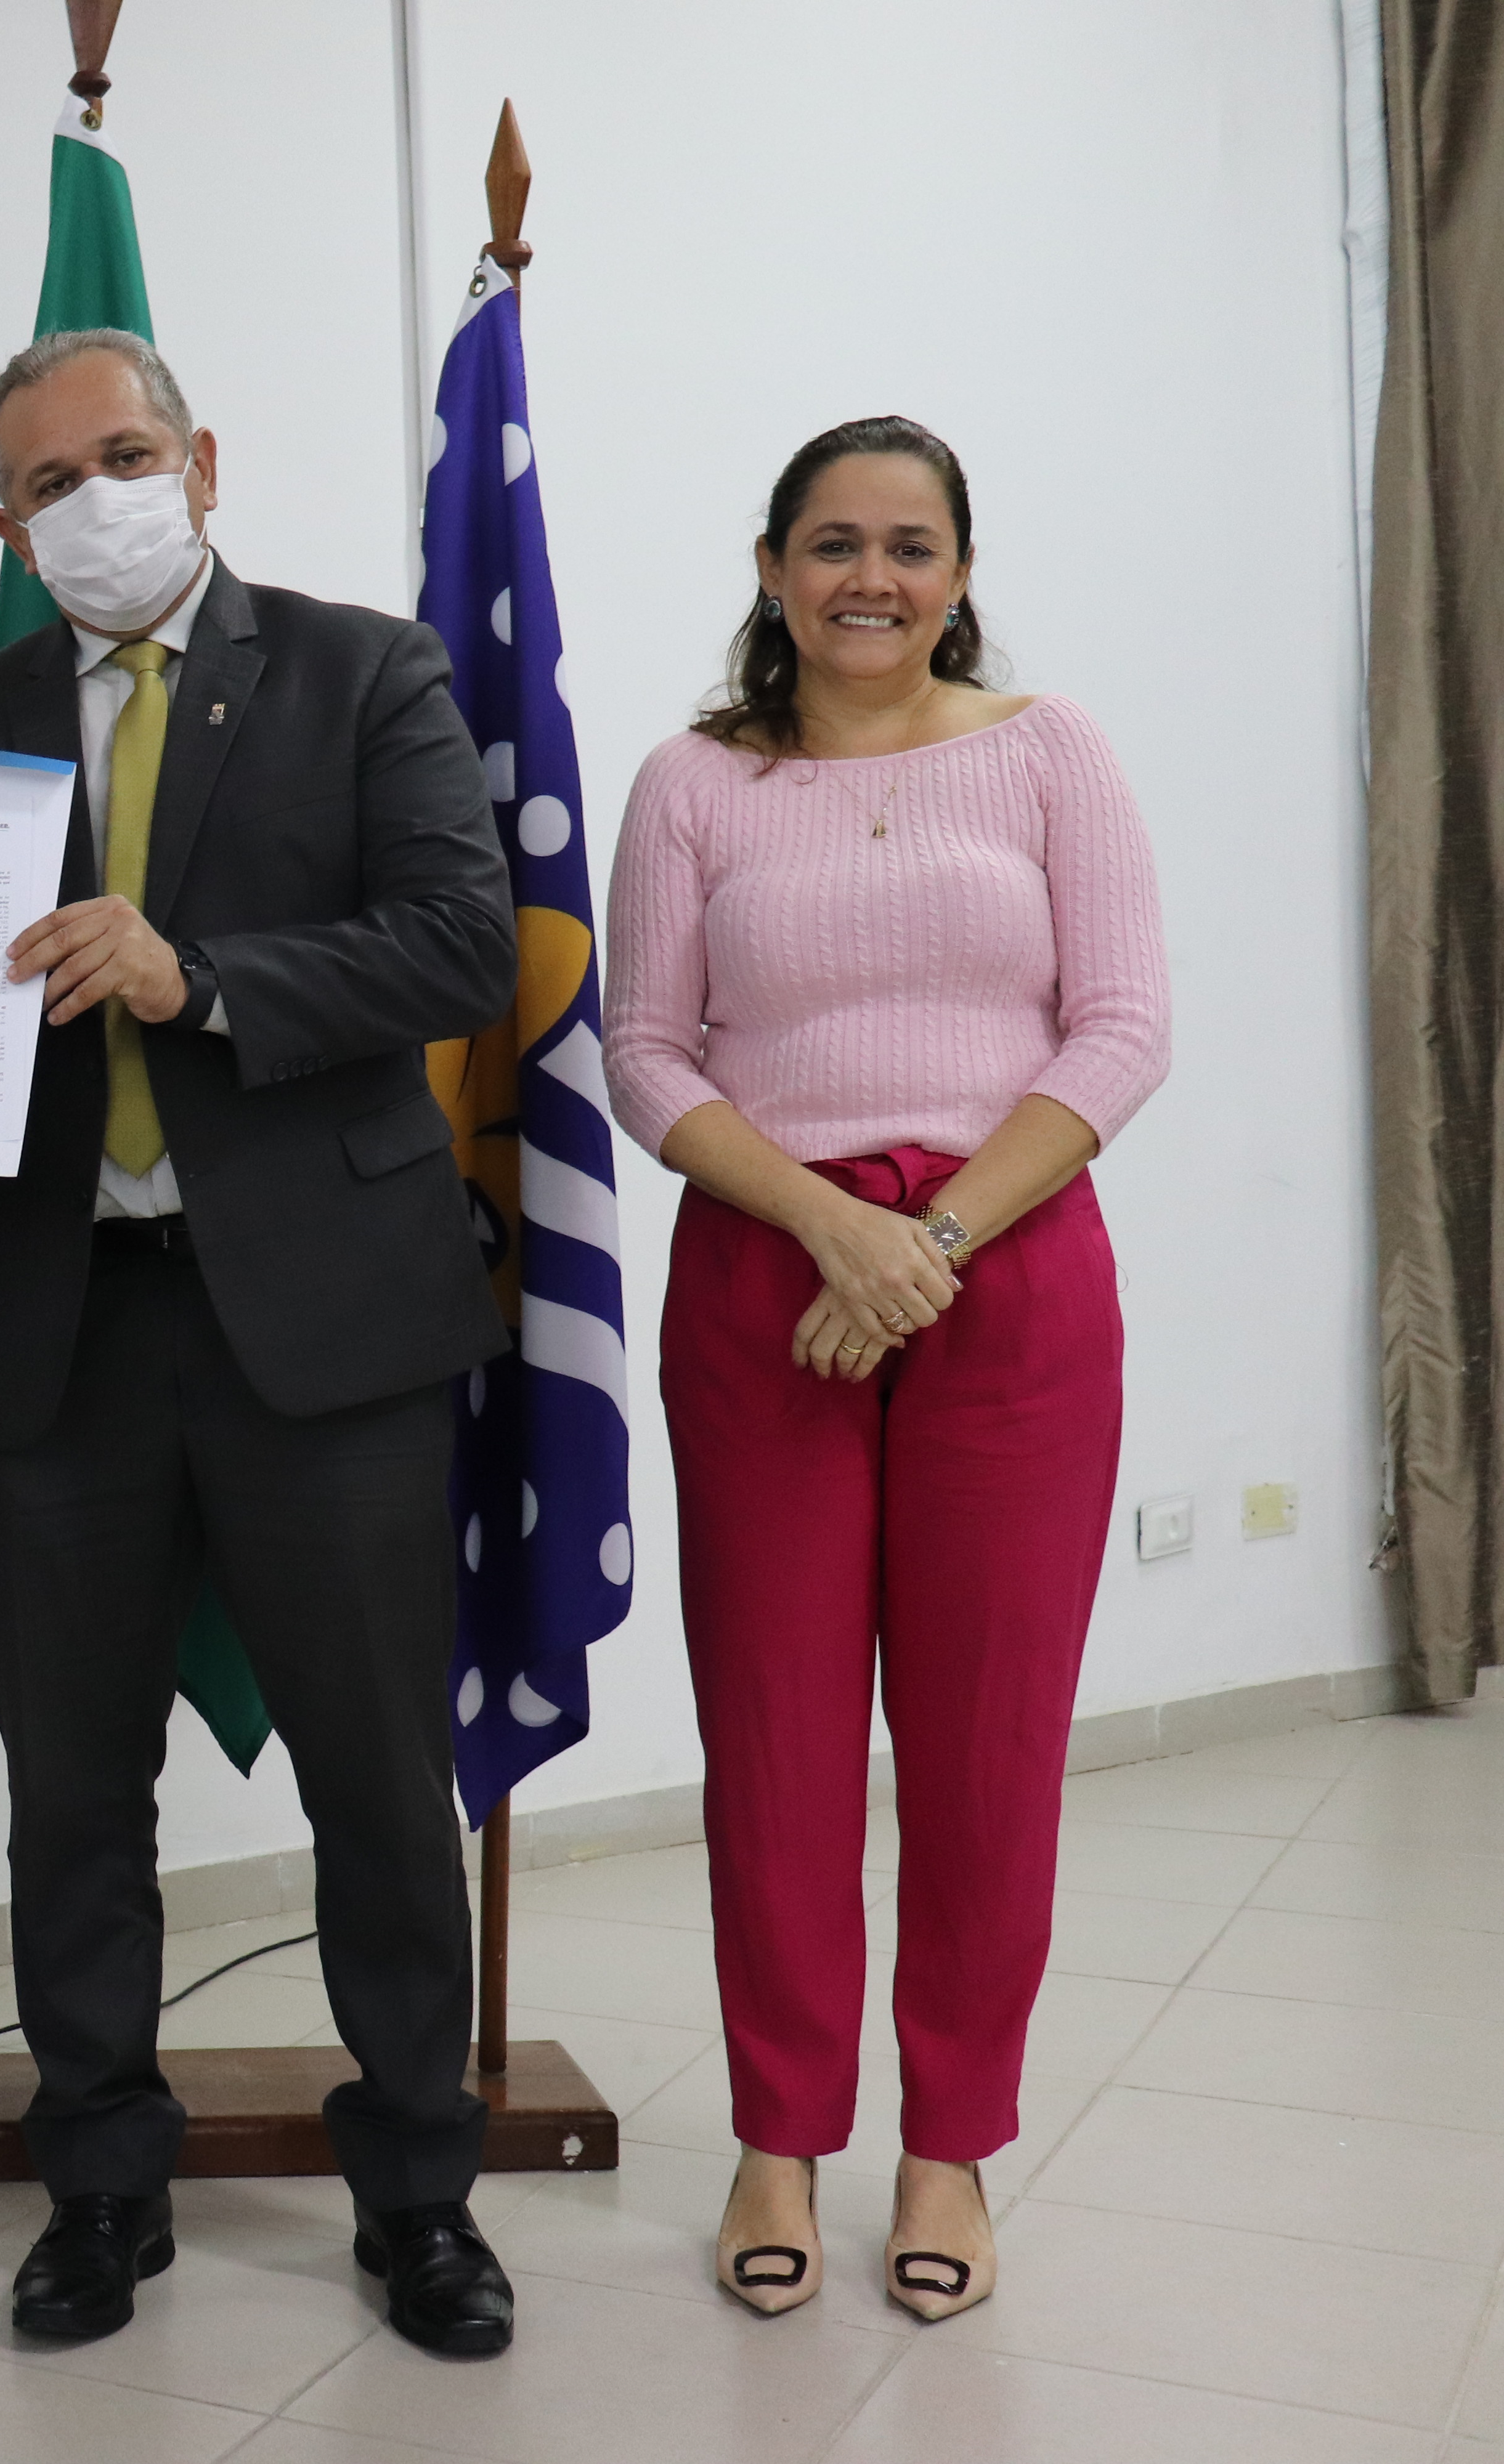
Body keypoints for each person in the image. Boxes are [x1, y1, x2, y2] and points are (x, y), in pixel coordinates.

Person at [0, 330, 522, 2358]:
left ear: (202, 462)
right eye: (52, 483)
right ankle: (99, 2187)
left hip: (328, 1330)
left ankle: (420, 2190)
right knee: (72, 1797)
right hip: (44, 1344)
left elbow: (462, 946)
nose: (98, 500)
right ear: (8, 529)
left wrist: (194, 976)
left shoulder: (363, 670)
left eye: (126, 456)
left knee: (379, 1784)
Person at [604, 416, 1169, 2323]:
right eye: (834, 543)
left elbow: (1122, 1030)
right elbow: (647, 1051)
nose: (873, 578)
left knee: (988, 1740)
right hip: (769, 1273)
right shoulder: (694, 782)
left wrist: (925, 1244)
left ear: (960, 573)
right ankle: (778, 2135)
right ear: (774, 570)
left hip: (1006, 1276)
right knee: (774, 1734)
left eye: (911, 546)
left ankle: (950, 2148)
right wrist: (827, 1227)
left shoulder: (1051, 752)